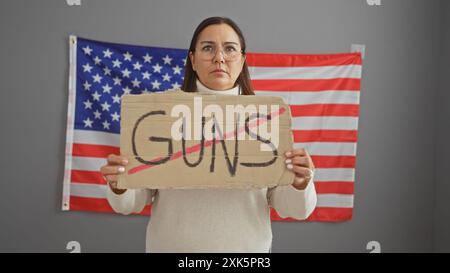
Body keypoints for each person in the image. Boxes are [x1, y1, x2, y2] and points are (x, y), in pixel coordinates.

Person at [100, 16, 317, 253]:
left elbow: (295, 209)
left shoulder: (267, 119)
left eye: (230, 49)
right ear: (192, 60)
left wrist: (300, 183)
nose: (219, 58)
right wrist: (119, 185)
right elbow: (133, 201)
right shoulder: (161, 114)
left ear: (243, 60)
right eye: (208, 48)